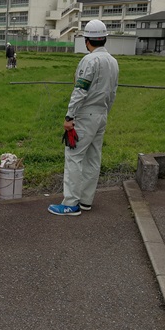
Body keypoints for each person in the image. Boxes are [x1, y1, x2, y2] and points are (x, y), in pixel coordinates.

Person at [49, 19, 119, 216]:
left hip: (85, 114)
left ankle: (71, 203)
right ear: (104, 39)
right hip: (101, 114)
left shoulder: (89, 61)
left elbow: (80, 90)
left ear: (87, 40)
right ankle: (86, 200)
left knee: (74, 157)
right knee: (93, 158)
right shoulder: (113, 62)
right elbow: (113, 92)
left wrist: (69, 116)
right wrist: (105, 112)